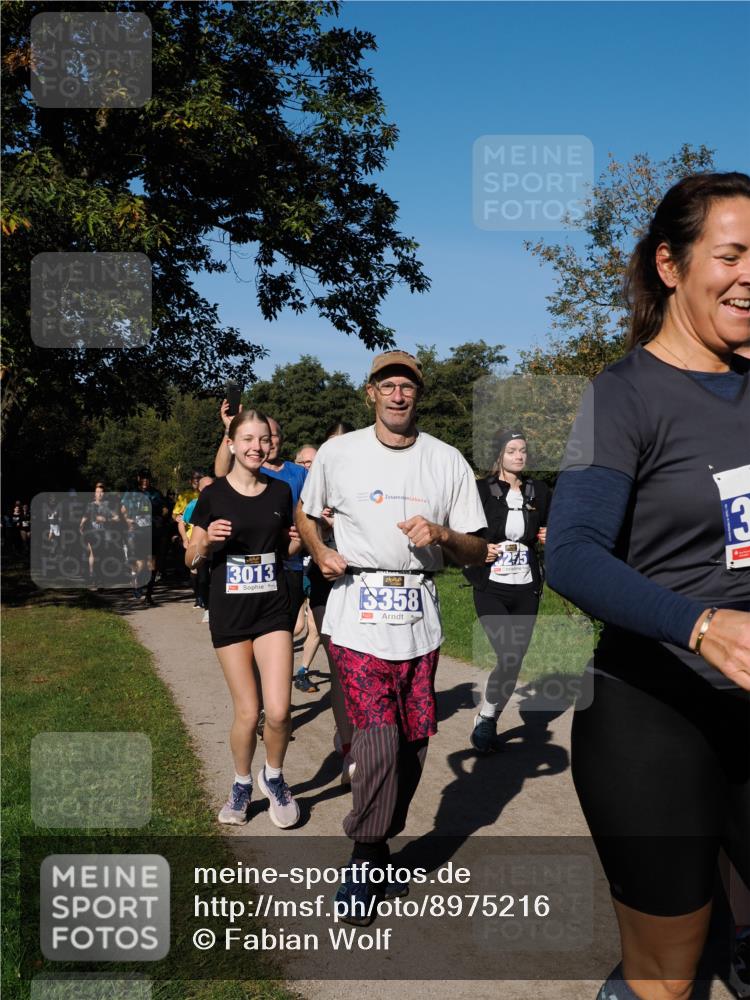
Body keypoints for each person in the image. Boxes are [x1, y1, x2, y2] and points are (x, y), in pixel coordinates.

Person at [545, 172, 750, 1000]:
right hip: (650, 717)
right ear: (671, 265)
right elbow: (575, 554)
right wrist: (702, 624)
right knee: (667, 977)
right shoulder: (621, 397)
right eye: (732, 254)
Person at [297, 350, 487, 921]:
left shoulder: (447, 461)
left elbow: (477, 547)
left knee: (412, 743)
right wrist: (320, 550)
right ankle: (362, 857)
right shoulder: (339, 452)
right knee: (379, 736)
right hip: (356, 610)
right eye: (388, 386)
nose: (398, 395)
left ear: (417, 395)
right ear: (371, 394)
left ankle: (378, 842)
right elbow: (307, 514)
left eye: (407, 386)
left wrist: (443, 533)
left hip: (419, 617)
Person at [189, 410, 301, 829]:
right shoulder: (213, 495)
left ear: (270, 444)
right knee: (248, 711)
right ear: (232, 443)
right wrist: (208, 544)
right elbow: (191, 556)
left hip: (272, 610)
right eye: (248, 439)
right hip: (231, 614)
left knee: (279, 710)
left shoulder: (280, 493)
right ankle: (240, 785)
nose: (256, 446)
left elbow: (282, 552)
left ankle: (273, 777)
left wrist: (292, 546)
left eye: (263, 439)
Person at [464, 429, 551, 752]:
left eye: (523, 450)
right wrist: (477, 549)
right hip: (490, 586)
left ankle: (489, 716)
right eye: (512, 450)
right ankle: (486, 720)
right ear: (498, 455)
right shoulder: (480, 491)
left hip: (526, 587)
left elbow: (553, 527)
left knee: (514, 660)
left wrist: (548, 535)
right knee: (508, 653)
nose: (519, 456)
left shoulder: (539, 491)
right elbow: (463, 531)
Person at [215, 407, 308, 636]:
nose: (268, 442)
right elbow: (220, 472)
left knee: (286, 628)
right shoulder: (249, 468)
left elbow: (311, 510)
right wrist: (229, 427)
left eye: (272, 436)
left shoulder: (299, 473)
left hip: (291, 561)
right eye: (261, 437)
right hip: (251, 564)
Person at [120, 471, 169, 605]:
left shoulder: (155, 493)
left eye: (147, 479)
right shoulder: (131, 493)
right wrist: (127, 520)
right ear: (138, 479)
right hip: (136, 532)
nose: (145, 481)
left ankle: (148, 595)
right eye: (143, 479)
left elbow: (165, 508)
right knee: (140, 563)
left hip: (152, 530)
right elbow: (123, 509)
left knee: (152, 563)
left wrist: (163, 515)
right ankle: (137, 583)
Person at [182, 475, 214, 622]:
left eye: (211, 486)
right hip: (201, 547)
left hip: (218, 548)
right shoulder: (193, 504)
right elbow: (183, 522)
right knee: (203, 578)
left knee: (217, 577)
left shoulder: (223, 501)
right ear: (199, 489)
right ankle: (207, 608)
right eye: (205, 487)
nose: (209, 489)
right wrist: (186, 540)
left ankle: (217, 607)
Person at [79, 482, 119, 588]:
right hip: (93, 535)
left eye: (101, 492)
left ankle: (100, 578)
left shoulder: (108, 505)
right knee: (94, 555)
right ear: (94, 494)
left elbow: (117, 518)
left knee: (102, 556)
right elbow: (85, 516)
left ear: (104, 494)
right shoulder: (90, 505)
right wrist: (81, 525)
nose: (100, 494)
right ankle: (95, 577)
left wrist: (105, 519)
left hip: (105, 536)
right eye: (98, 492)